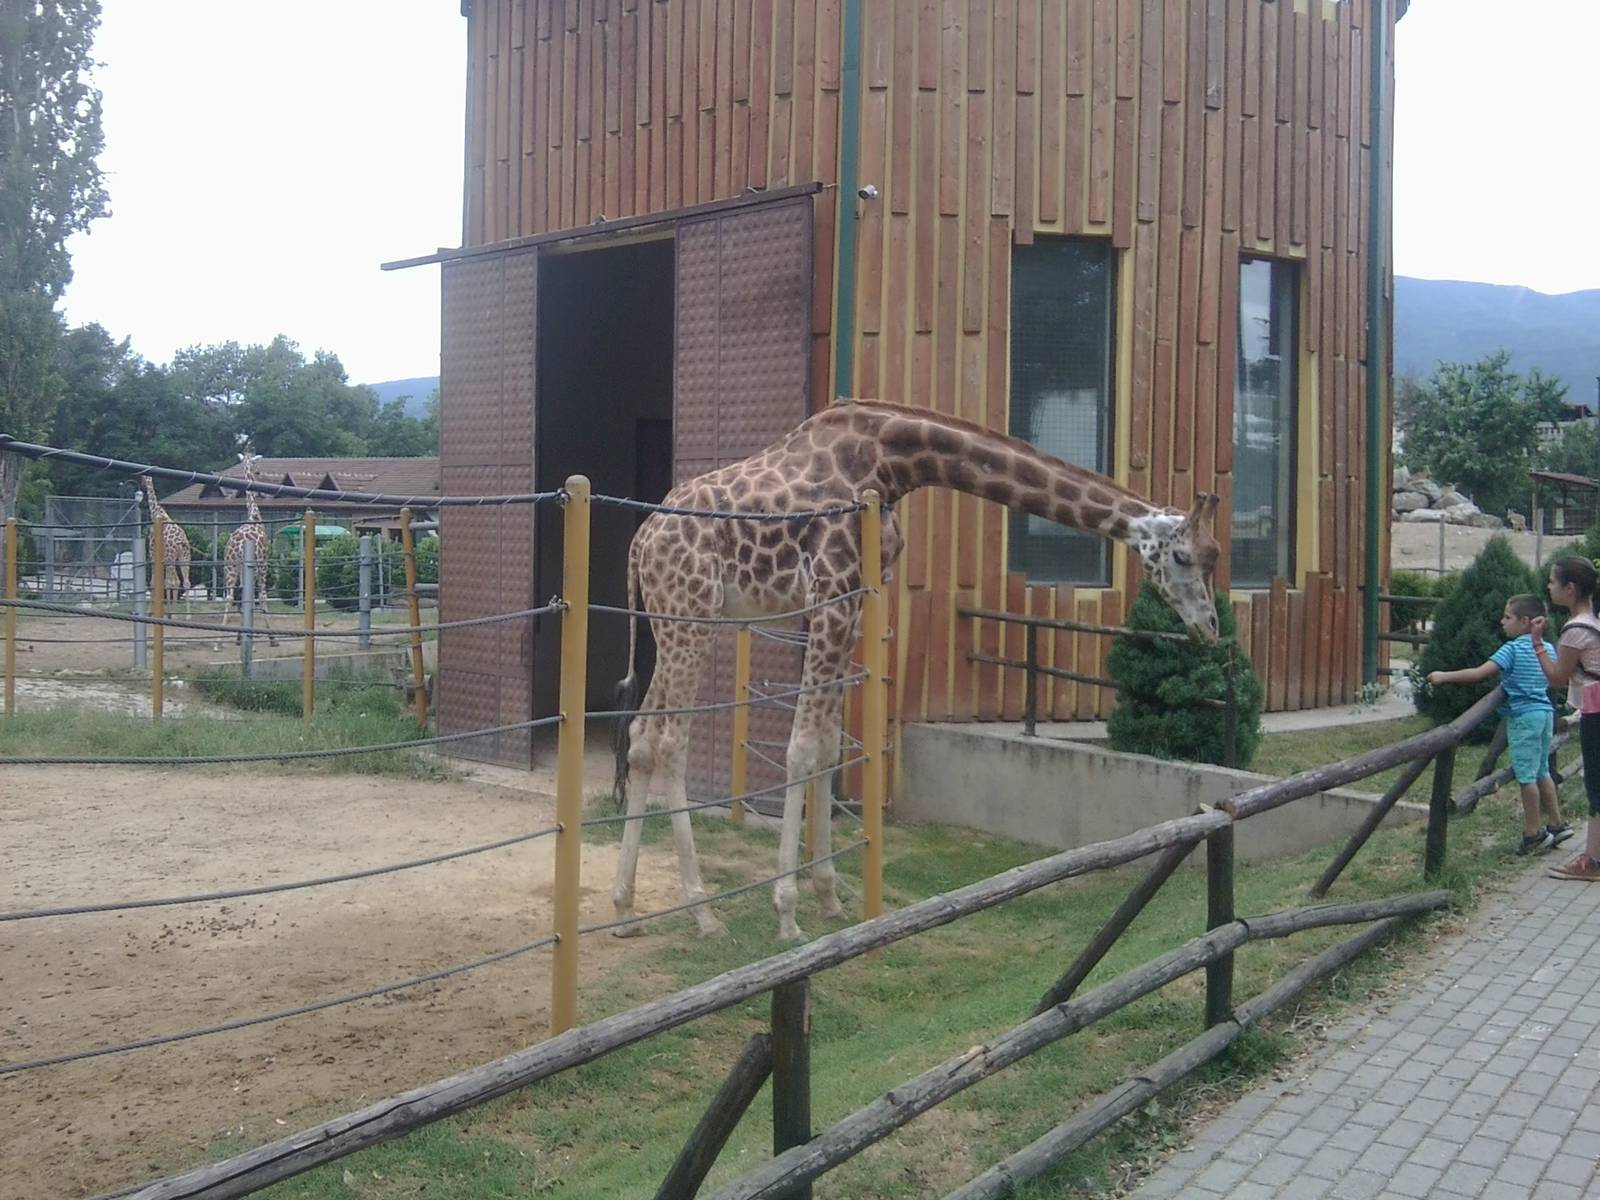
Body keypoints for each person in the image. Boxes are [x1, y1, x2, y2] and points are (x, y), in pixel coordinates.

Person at [1428, 594, 1570, 856]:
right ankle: (1556, 822)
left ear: (1525, 621)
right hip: (1544, 714)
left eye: (1507, 617)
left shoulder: (1513, 649)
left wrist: (1444, 676)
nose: (1501, 621)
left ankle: (1532, 833)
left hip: (1524, 718)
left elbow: (1480, 672)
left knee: (1526, 776)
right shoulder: (1547, 648)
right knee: (1542, 771)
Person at [1530, 556, 1600, 880]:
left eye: (1552, 581)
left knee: (1596, 785)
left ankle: (1592, 862)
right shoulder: (1594, 621)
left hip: (1596, 710)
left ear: (1569, 589)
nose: (1548, 586)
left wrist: (1538, 645)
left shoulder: (1574, 630)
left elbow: (1558, 678)